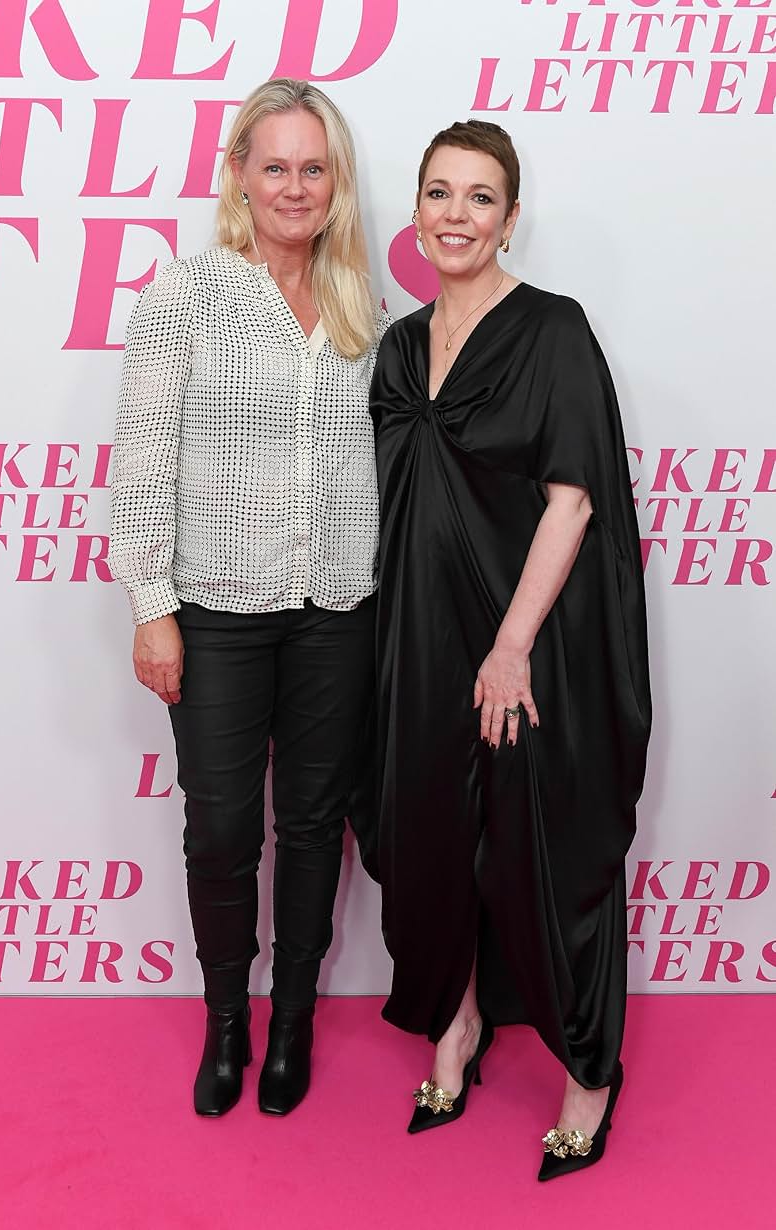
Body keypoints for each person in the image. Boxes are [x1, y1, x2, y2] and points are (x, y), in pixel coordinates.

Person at [369, 120, 651, 1179]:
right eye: (438, 192)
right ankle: (457, 1029)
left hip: (527, 644)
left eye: (478, 197)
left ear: (509, 217)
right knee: (430, 842)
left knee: (544, 852)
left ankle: (588, 1076)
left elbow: (572, 500)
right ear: (416, 215)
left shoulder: (553, 333)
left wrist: (510, 646)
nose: (454, 214)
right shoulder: (397, 348)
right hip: (418, 643)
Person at [110, 78, 388, 1118]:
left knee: (316, 824)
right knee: (223, 829)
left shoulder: (366, 306)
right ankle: (227, 1024)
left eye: (313, 168)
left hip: (338, 610)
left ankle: (297, 1023)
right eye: (273, 166)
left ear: (335, 182)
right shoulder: (184, 294)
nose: (294, 186)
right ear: (238, 173)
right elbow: (139, 462)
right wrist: (149, 602)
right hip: (216, 609)